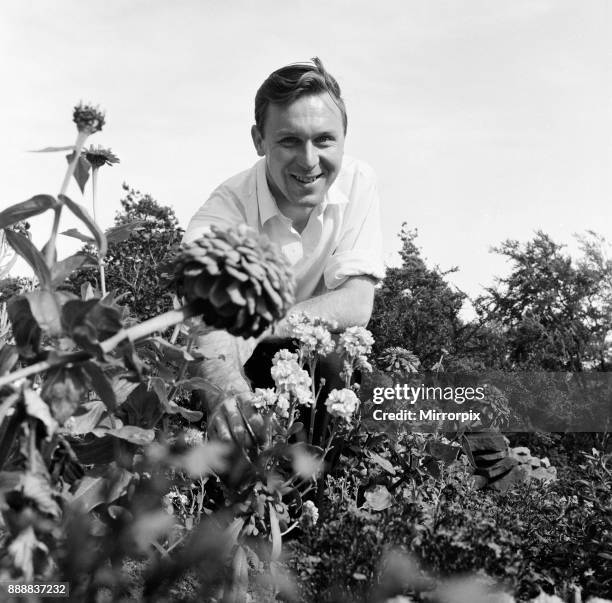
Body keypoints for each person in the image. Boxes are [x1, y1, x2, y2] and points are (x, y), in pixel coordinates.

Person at [183, 57, 384, 445]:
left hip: (311, 353)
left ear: (344, 137)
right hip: (238, 360)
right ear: (259, 140)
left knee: (338, 364)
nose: (309, 161)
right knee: (227, 407)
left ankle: (323, 497)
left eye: (324, 139)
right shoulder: (224, 212)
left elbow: (357, 303)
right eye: (289, 140)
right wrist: (229, 395)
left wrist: (257, 324)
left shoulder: (360, 182)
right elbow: (207, 325)